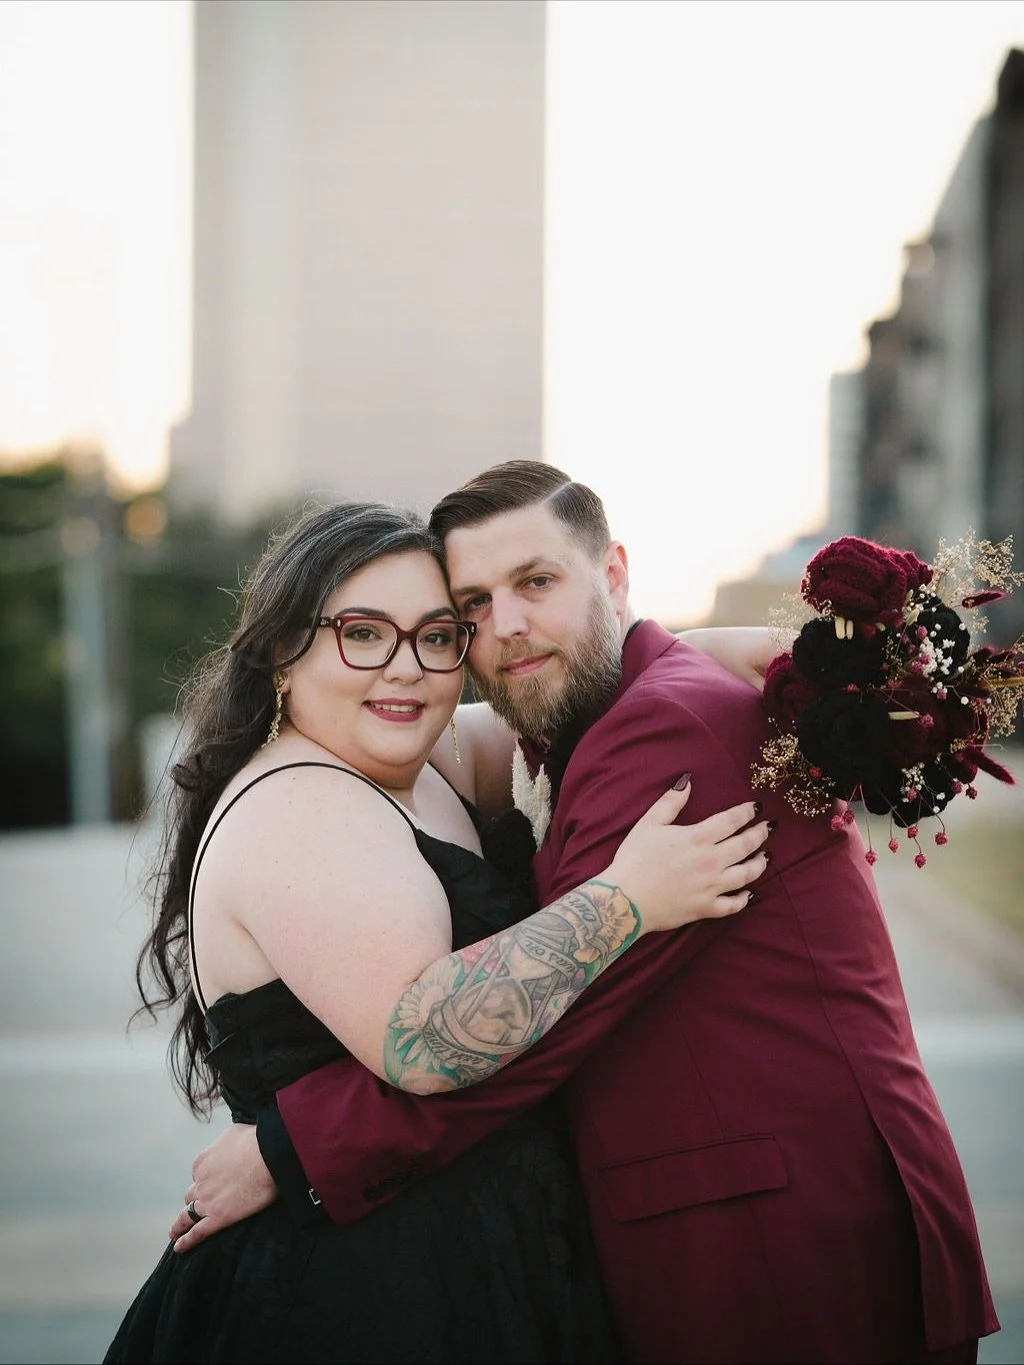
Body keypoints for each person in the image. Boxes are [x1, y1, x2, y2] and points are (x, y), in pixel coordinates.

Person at [172, 462, 1000, 1365]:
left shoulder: (659, 730)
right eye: (473, 607)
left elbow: (562, 1014)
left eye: (534, 583)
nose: (499, 628)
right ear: (283, 651)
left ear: (613, 576)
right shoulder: (373, 773)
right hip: (433, 1273)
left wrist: (297, 1149)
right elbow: (514, 1002)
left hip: (790, 1247)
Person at [103, 498, 770, 1364]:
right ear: (282, 653)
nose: (405, 669)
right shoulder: (298, 805)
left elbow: (583, 693)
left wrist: (742, 652)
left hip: (486, 1248)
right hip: (363, 1288)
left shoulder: (427, 760)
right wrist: (627, 899)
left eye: (436, 636)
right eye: (363, 634)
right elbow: (422, 1043)